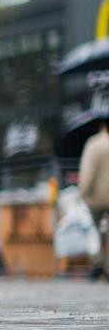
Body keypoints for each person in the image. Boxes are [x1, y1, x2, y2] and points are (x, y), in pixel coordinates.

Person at [77, 120, 109, 279]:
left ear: (102, 127)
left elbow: (88, 171)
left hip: (95, 198)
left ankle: (98, 265)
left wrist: (82, 193)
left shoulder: (94, 144)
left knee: (93, 231)